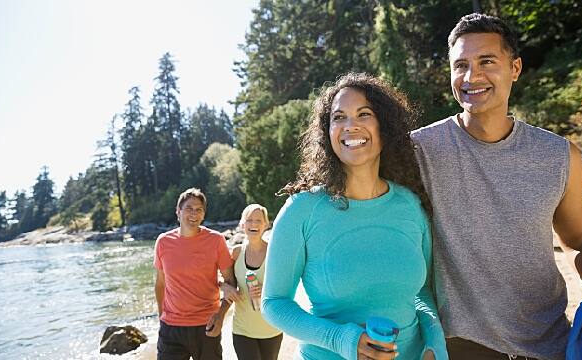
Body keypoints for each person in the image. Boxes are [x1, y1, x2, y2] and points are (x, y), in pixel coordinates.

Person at [410, 13, 582, 360]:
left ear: (515, 68)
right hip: (460, 347)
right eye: (460, 65)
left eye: (487, 61)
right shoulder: (418, 151)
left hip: (550, 345)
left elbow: (581, 242)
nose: (472, 76)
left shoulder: (558, 156)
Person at [262, 72, 447, 360]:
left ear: (384, 126)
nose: (351, 126)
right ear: (327, 131)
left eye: (364, 114)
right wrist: (342, 339)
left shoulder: (410, 205)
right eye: (339, 117)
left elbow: (422, 292)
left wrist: (435, 344)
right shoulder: (302, 210)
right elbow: (274, 303)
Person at [153, 188, 237, 360]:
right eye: (189, 208)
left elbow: (230, 281)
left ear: (203, 214)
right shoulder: (163, 242)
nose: (194, 213)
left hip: (206, 326)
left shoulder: (216, 240)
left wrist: (221, 316)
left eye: (199, 209)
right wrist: (162, 316)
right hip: (171, 329)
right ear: (178, 212)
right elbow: (160, 283)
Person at [219, 204, 283, 360]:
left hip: (271, 328)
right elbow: (224, 279)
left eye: (258, 220)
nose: (254, 224)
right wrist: (224, 286)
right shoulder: (236, 252)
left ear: (266, 225)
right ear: (242, 224)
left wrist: (267, 290)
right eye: (249, 220)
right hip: (242, 329)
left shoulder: (275, 252)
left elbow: (286, 287)